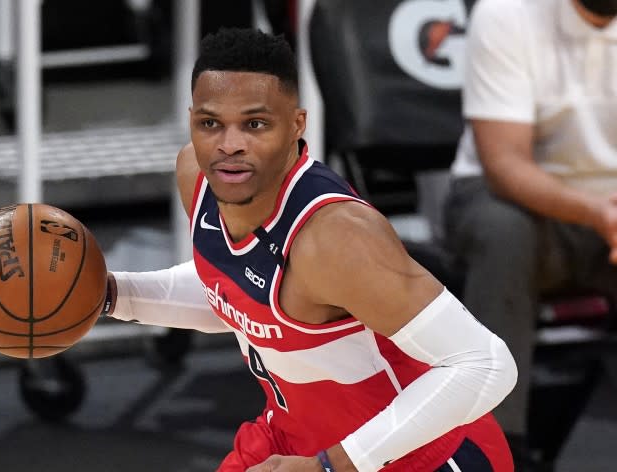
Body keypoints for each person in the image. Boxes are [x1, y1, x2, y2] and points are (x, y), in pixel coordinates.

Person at [102, 27, 517, 471]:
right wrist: (111, 296)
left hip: (414, 455)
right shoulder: (199, 178)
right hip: (293, 437)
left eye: (254, 124)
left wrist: (333, 465)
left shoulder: (335, 237)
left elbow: (487, 364)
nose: (229, 145)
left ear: (297, 125)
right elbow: (234, 294)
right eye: (210, 123)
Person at [443, 0, 617, 466]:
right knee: (505, 233)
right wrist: (599, 214)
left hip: (608, 211)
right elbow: (504, 164)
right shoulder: (507, 13)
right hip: (514, 201)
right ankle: (496, 448)